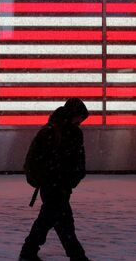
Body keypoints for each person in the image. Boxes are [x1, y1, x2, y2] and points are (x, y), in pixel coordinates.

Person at [20, 98, 90, 261]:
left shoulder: (53, 130)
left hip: (54, 184)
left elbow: (36, 158)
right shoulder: (62, 132)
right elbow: (77, 160)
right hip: (56, 184)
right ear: (74, 115)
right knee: (52, 220)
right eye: (80, 117)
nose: (81, 121)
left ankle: (30, 252)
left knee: (60, 221)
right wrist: (71, 177)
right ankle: (29, 252)